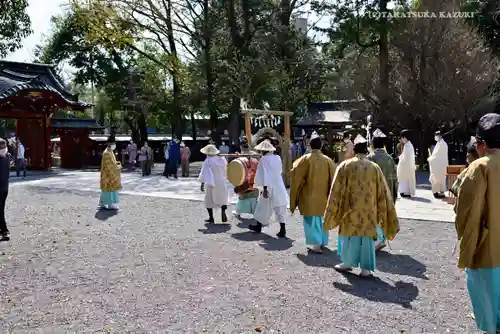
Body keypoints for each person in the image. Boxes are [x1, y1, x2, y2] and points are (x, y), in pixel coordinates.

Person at [323, 134, 399, 277]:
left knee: (349, 236)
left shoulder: (345, 166)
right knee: (366, 237)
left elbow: (336, 190)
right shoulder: (374, 167)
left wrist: (332, 211)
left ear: (354, 150)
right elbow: (383, 191)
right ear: (366, 149)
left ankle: (347, 262)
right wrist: (385, 211)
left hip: (349, 209)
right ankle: (366, 269)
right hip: (369, 210)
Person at [454, 113, 500, 334]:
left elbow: (467, 214)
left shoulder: (480, 167)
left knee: (488, 304)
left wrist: (467, 248)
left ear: (482, 144)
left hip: (488, 251)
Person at [290, 132, 336, 253]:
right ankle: (322, 241)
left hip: (308, 196)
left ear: (309, 146)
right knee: (321, 219)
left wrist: (295, 197)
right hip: (324, 196)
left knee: (311, 220)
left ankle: (315, 243)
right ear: (321, 146)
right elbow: (334, 180)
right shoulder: (328, 161)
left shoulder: (305, 159)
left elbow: (296, 174)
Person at [249, 139, 289, 238]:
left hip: (268, 186)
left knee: (261, 206)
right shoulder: (278, 157)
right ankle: (282, 229)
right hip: (278, 184)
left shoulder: (263, 159)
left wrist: (265, 189)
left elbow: (264, 175)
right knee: (280, 207)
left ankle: (259, 225)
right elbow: (279, 171)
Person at [367, 129, 398, 251]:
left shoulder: (370, 157)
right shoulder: (389, 158)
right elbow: (394, 176)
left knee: (374, 214)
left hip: (374, 191)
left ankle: (378, 239)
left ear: (373, 144)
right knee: (383, 214)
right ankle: (382, 237)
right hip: (388, 190)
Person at [198, 144, 229, 223]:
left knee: (209, 200)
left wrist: (202, 183)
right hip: (221, 181)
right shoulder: (222, 159)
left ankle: (211, 217)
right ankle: (223, 211)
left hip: (211, 181)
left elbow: (204, 173)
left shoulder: (207, 161)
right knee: (222, 198)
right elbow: (226, 169)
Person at [233, 138, 259, 218]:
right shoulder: (254, 154)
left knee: (242, 194)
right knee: (253, 195)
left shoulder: (239, 156)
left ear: (241, 146)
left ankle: (239, 211)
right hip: (253, 178)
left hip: (244, 178)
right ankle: (254, 211)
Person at [99, 136, 122, 210]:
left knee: (105, 190)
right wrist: (117, 167)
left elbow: (113, 163)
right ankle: (110, 204)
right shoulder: (107, 153)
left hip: (108, 174)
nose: (114, 145)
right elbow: (110, 166)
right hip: (108, 174)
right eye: (114, 143)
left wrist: (116, 165)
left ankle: (102, 203)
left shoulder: (110, 151)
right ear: (110, 144)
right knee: (110, 189)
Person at [428, 130, 449, 198]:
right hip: (439, 165)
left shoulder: (442, 144)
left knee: (439, 179)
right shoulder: (439, 143)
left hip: (440, 165)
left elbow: (438, 156)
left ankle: (439, 192)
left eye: (436, 135)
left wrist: (431, 158)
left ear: (440, 136)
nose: (435, 137)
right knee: (437, 178)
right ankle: (437, 192)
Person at [397, 129, 416, 198]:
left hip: (406, 168)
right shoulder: (408, 145)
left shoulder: (408, 146)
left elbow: (405, 159)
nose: (401, 140)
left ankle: (406, 192)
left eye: (402, 138)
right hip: (407, 167)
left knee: (405, 180)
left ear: (405, 138)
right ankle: (404, 191)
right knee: (405, 180)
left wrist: (400, 158)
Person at [0, 139, 11, 241]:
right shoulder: (8, 156)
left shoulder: (4, 157)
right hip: (5, 188)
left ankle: (5, 230)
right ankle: (3, 230)